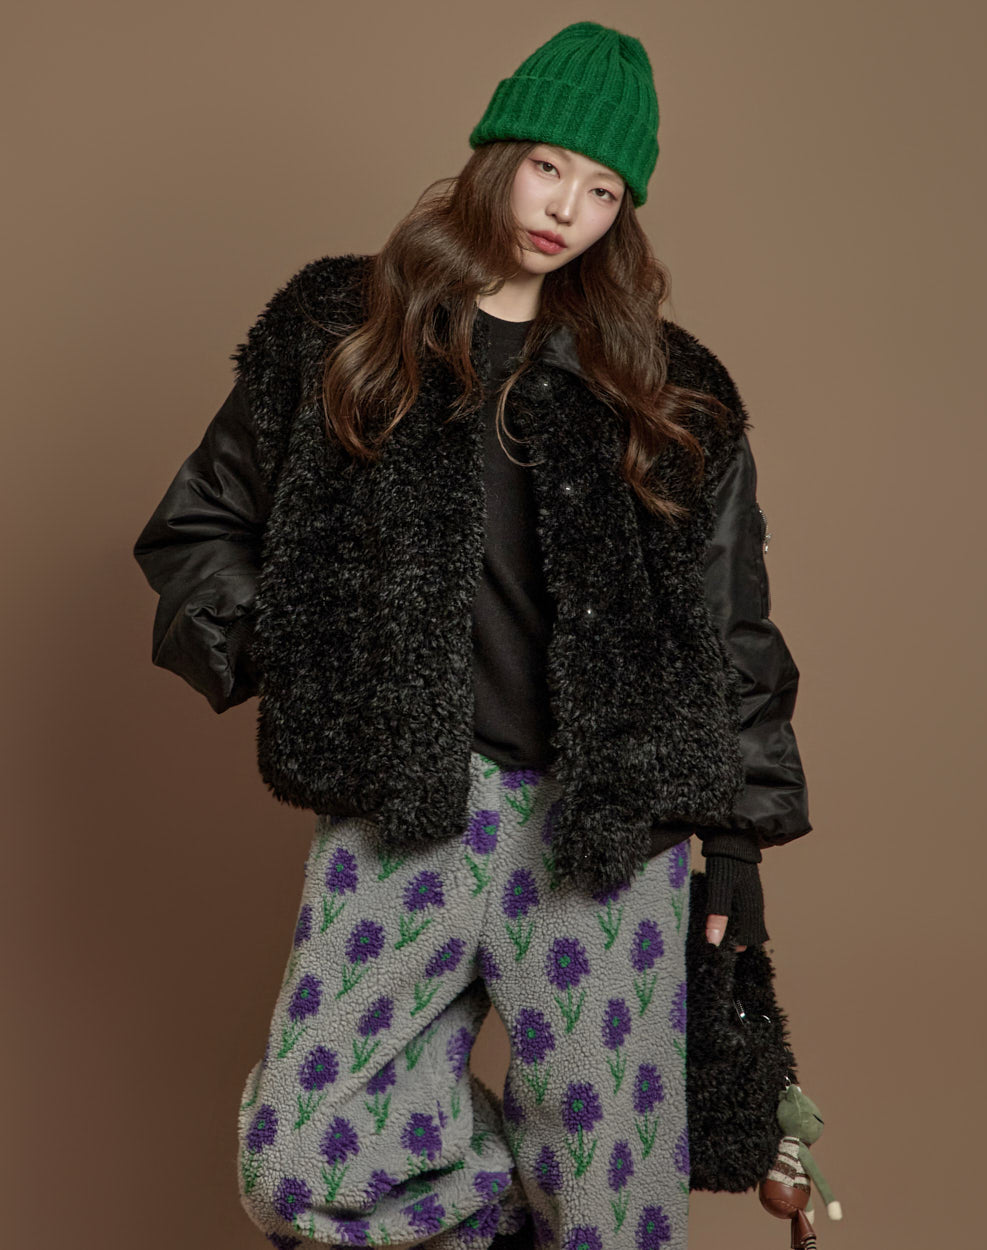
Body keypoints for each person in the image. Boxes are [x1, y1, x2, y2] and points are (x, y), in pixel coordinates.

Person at [132, 20, 810, 1250]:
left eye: (602, 191)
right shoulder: (341, 326)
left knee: (609, 1209)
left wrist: (738, 850)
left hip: (607, 833)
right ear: (498, 151)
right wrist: (319, 662)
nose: (566, 210)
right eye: (549, 166)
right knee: (299, 1160)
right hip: (409, 801)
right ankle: (497, 1217)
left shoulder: (669, 386)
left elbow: (731, 626)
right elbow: (195, 530)